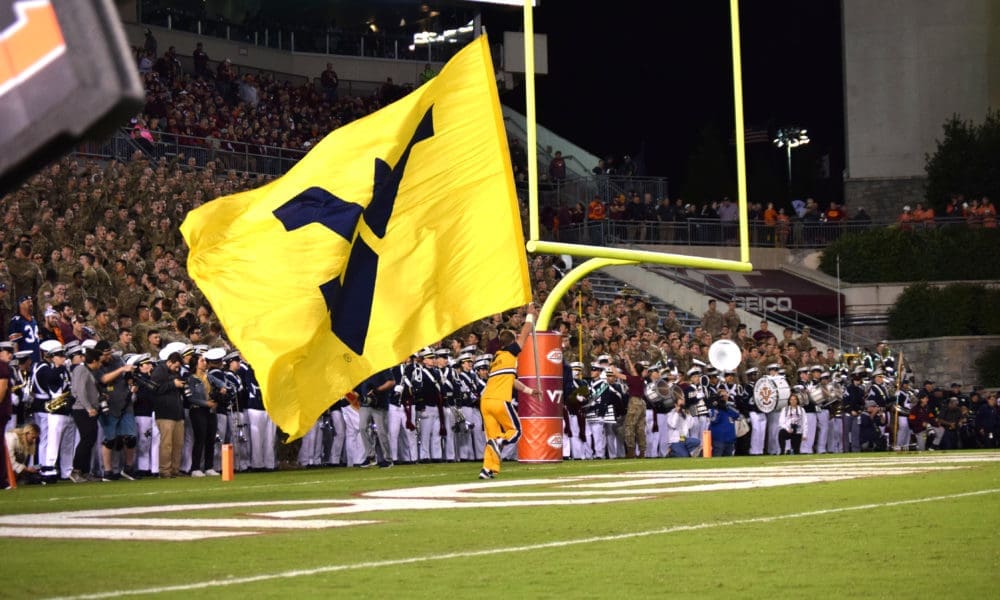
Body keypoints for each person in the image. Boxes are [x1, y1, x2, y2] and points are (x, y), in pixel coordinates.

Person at [478, 304, 539, 480]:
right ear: (512, 342)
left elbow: (511, 380)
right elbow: (526, 333)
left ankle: (488, 469)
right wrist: (529, 316)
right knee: (516, 431)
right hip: (499, 400)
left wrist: (529, 390)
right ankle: (500, 443)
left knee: (492, 436)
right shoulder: (510, 353)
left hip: (486, 401)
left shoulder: (496, 359)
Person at [95, 340, 139, 480]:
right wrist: (121, 370)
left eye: (110, 353)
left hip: (125, 403)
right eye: (105, 354)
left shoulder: (117, 359)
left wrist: (131, 381)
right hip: (109, 406)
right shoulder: (96, 364)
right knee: (110, 439)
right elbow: (103, 379)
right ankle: (108, 471)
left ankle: (128, 468)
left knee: (131, 438)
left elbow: (127, 376)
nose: (109, 357)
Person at [150, 351, 187, 478]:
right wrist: (173, 384)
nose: (177, 369)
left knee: (178, 443)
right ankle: (165, 471)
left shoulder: (175, 372)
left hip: (177, 413)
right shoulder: (159, 371)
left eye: (179, 367)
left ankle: (175, 470)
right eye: (175, 366)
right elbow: (154, 388)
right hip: (164, 413)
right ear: (169, 362)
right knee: (167, 444)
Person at [69, 348, 103, 482]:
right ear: (93, 361)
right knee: (86, 439)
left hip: (89, 409)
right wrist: (88, 407)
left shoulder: (87, 371)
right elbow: (80, 391)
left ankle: (85, 471)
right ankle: (76, 470)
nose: (99, 365)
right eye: (98, 362)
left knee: (90, 440)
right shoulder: (81, 370)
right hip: (82, 410)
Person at [185, 350, 218, 477]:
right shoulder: (190, 379)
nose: (205, 363)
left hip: (210, 410)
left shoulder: (209, 377)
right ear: (195, 364)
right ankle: (195, 468)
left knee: (211, 438)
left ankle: (209, 466)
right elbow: (191, 398)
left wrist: (222, 390)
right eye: (202, 360)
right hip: (198, 410)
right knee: (200, 438)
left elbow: (224, 385)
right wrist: (207, 403)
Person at [355, 368, 395, 468]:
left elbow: (391, 382)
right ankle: (370, 456)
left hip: (379, 403)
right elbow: (359, 386)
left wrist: (377, 390)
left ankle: (388, 459)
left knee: (382, 432)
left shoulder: (383, 367)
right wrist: (359, 395)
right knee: (362, 428)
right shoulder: (364, 368)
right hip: (366, 404)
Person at [3, 423, 42, 488]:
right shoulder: (12, 439)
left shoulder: (25, 443)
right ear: (27, 433)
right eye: (33, 437)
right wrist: (26, 469)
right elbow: (10, 461)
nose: (34, 440)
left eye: (35, 438)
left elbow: (19, 463)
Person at [708, 388, 740, 456]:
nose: (725, 397)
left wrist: (726, 406)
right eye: (722, 396)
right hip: (719, 439)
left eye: (726, 395)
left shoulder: (729, 406)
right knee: (717, 460)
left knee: (729, 463)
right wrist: (717, 407)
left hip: (730, 439)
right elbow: (714, 420)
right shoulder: (714, 408)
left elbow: (737, 414)